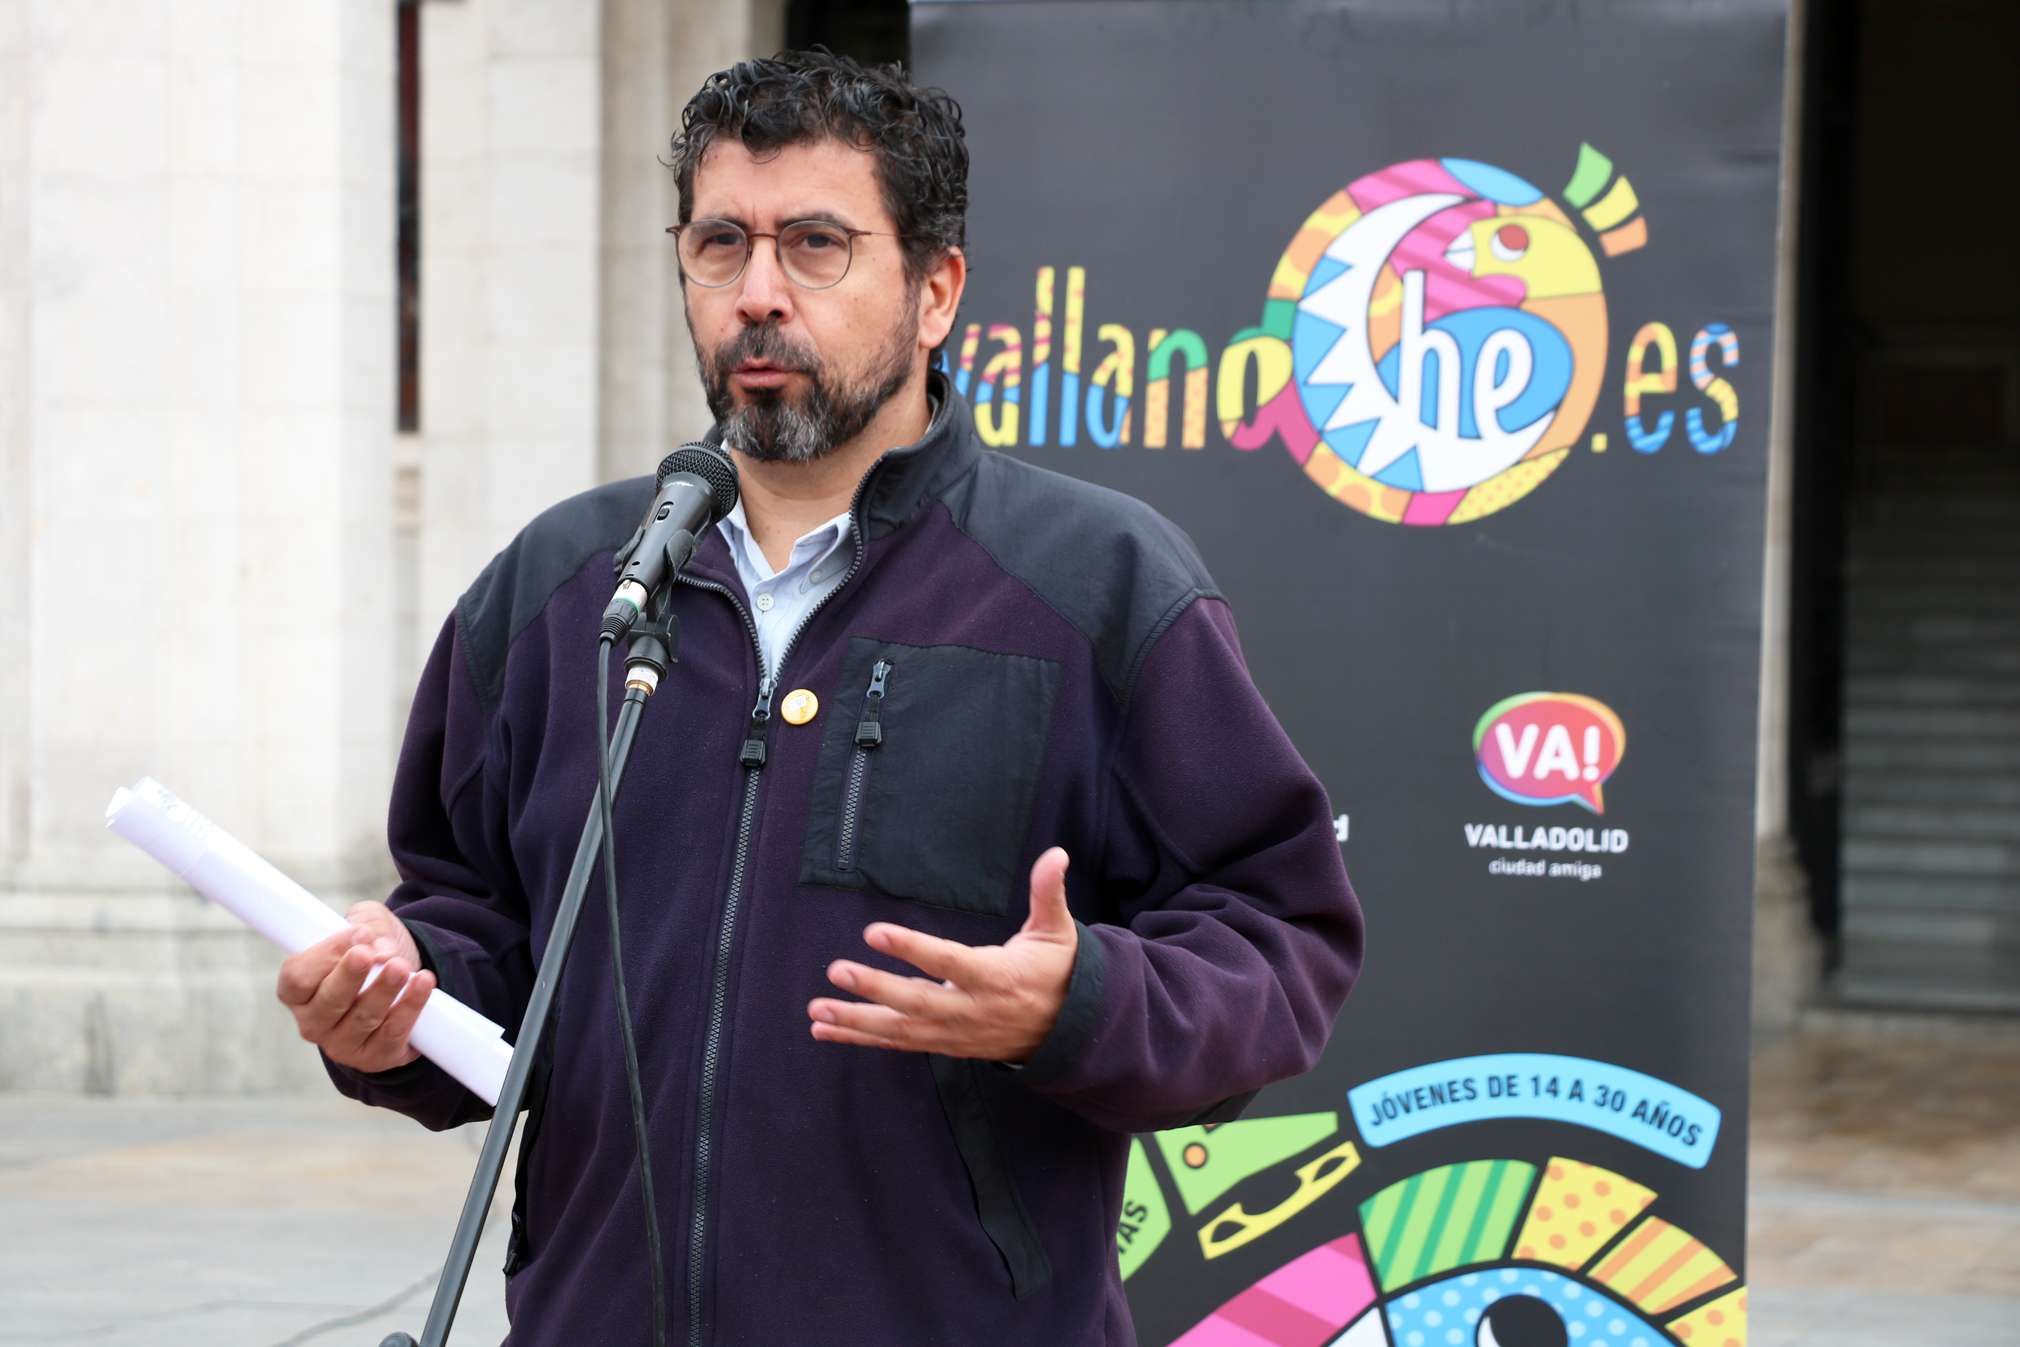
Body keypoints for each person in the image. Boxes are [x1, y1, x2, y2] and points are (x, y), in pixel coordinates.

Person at [276, 51, 1361, 1346]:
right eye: (719, 244)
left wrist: (1080, 1006)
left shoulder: (1096, 584)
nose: (757, 293)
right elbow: (478, 923)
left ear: (936, 291)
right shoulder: (561, 587)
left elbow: (1277, 938)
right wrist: (396, 1004)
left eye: (816, 245)